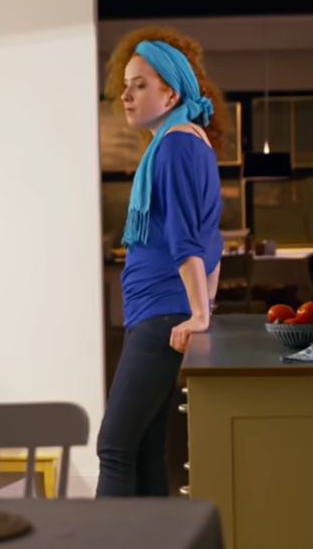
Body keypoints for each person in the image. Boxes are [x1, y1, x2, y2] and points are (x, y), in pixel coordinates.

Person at [95, 28, 228, 497]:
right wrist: (203, 303)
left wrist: (199, 313)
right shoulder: (189, 142)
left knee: (114, 446)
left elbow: (188, 240)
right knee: (145, 449)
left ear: (171, 94)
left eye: (140, 85)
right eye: (126, 85)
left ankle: (101, 534)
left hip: (160, 317)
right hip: (159, 313)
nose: (126, 96)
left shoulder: (174, 145)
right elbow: (213, 240)